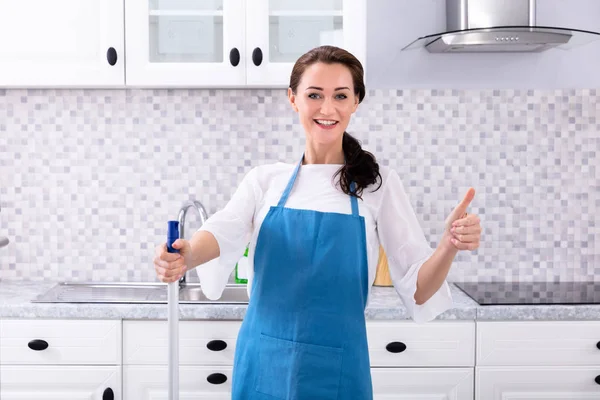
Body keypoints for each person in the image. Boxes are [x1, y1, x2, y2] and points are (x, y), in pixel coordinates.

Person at [154, 45, 481, 399]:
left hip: (337, 370)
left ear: (356, 101)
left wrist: (448, 246)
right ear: (293, 99)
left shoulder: (377, 185)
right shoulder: (265, 181)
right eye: (314, 95)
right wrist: (187, 256)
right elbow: (222, 230)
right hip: (263, 364)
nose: (328, 109)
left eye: (340, 95)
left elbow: (419, 288)